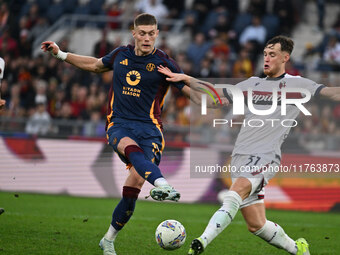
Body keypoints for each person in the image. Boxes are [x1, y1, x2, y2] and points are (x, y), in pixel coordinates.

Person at [158, 35, 340, 255]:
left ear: (285, 57)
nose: (266, 58)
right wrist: (180, 82)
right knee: (257, 225)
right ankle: (298, 249)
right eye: (265, 54)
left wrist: (186, 77)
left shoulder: (298, 84)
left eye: (272, 54)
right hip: (240, 157)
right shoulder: (252, 84)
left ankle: (200, 243)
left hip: (265, 157)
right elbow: (210, 99)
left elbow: (331, 93)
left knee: (234, 193)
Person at [41, 13, 190, 255]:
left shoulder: (165, 63)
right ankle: (163, 184)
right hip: (119, 124)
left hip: (151, 130)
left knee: (135, 185)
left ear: (157, 34)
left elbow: (188, 89)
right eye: (142, 33)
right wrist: (60, 54)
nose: (146, 38)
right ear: (133, 33)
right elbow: (94, 65)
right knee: (132, 150)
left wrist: (203, 92)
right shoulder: (121, 54)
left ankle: (108, 239)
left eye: (151, 33)